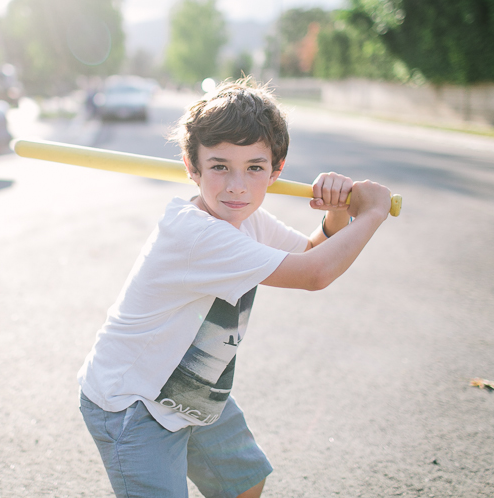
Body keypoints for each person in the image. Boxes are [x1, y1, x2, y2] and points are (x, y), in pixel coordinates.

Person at [77, 77, 393, 497]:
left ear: (275, 171)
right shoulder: (197, 234)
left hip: (190, 389)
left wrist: (336, 214)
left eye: (254, 168)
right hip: (134, 401)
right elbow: (314, 274)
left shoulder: (243, 217)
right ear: (193, 167)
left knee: (243, 484)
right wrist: (372, 213)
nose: (237, 186)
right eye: (220, 166)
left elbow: (310, 252)